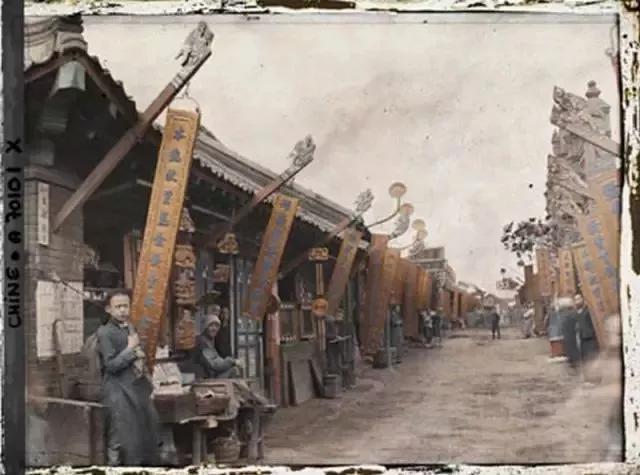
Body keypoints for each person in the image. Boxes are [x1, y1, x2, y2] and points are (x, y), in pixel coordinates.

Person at [96, 289, 161, 466]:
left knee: (139, 435)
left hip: (133, 387)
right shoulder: (105, 333)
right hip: (116, 390)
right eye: (118, 307)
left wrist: (138, 355)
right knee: (118, 437)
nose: (123, 310)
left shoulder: (130, 328)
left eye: (125, 306)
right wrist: (130, 350)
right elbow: (111, 366)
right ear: (108, 309)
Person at [195, 308, 243, 379]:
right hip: (204, 378)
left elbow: (217, 359)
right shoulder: (202, 342)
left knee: (235, 370)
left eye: (216, 326)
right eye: (211, 325)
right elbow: (215, 364)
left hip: (210, 375)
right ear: (205, 327)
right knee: (234, 371)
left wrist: (232, 362)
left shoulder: (209, 341)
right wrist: (233, 361)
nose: (214, 329)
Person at [573, 293, 599, 379]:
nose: (577, 301)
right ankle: (588, 377)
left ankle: (595, 377)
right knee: (585, 359)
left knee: (592, 357)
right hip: (582, 339)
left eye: (579, 299)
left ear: (582, 299)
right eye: (575, 300)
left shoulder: (588, 310)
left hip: (590, 338)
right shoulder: (576, 313)